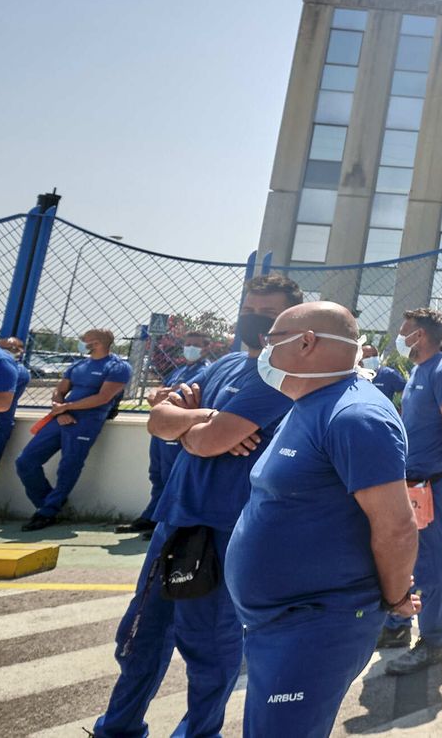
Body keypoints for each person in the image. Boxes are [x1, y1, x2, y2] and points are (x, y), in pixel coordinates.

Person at [93, 274, 302, 738]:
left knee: (208, 647)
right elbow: (159, 421)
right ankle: (118, 729)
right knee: (140, 635)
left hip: (226, 529)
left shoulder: (281, 379)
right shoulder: (226, 365)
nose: (255, 319)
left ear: (288, 321)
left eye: (268, 314)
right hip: (176, 517)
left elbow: (205, 442)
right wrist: (208, 419)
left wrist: (194, 428)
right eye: (250, 310)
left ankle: (200, 733)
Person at [226, 301, 419, 738]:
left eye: (272, 340)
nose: (264, 350)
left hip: (315, 625)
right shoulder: (309, 403)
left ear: (306, 343)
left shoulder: (356, 416)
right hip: (282, 623)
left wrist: (395, 598)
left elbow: (396, 526)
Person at [376, 308, 442, 674]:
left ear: (421, 335)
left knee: (429, 563)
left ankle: (433, 641)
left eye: (405, 332)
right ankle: (398, 626)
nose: (400, 337)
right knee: (404, 557)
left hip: (427, 482)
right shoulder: (419, 370)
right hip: (409, 478)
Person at [16, 327, 132, 530]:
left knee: (69, 466)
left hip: (86, 423)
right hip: (61, 419)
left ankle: (47, 512)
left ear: (97, 343)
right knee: (25, 461)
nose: (81, 343)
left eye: (84, 339)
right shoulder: (78, 365)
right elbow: (59, 391)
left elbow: (103, 397)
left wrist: (67, 407)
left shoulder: (118, 367)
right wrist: (61, 412)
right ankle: (48, 503)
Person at [118, 330, 216, 535]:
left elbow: (185, 398)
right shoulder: (179, 371)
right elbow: (158, 393)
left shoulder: (206, 371)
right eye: (187, 343)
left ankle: (168, 522)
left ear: (206, 348)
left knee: (173, 475)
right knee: (158, 473)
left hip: (179, 429)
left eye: (196, 344)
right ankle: (152, 516)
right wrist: (159, 395)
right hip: (163, 428)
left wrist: (165, 397)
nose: (190, 348)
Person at [0, 336, 29, 475]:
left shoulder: (7, 365)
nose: (5, 350)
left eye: (10, 348)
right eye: (2, 347)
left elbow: (2, 402)